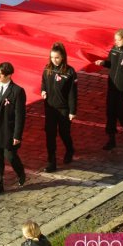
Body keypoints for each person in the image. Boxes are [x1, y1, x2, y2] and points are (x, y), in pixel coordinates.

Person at [0, 62, 27, 195]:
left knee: (10, 156)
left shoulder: (17, 91)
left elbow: (20, 115)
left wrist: (17, 135)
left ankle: (20, 172)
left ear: (9, 75)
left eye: (2, 74)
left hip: (8, 131)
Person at [95, 28, 123, 149]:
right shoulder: (114, 50)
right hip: (112, 87)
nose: (116, 42)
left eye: (118, 40)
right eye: (115, 39)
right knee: (110, 112)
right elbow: (111, 64)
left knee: (121, 112)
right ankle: (111, 139)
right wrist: (103, 63)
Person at [40, 42, 77, 172]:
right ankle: (52, 162)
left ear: (63, 57)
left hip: (63, 109)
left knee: (64, 132)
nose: (54, 60)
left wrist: (72, 111)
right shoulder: (47, 69)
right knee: (50, 135)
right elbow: (44, 82)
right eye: (52, 57)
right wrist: (43, 90)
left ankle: (70, 149)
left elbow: (73, 93)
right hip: (50, 108)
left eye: (57, 57)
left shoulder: (70, 72)